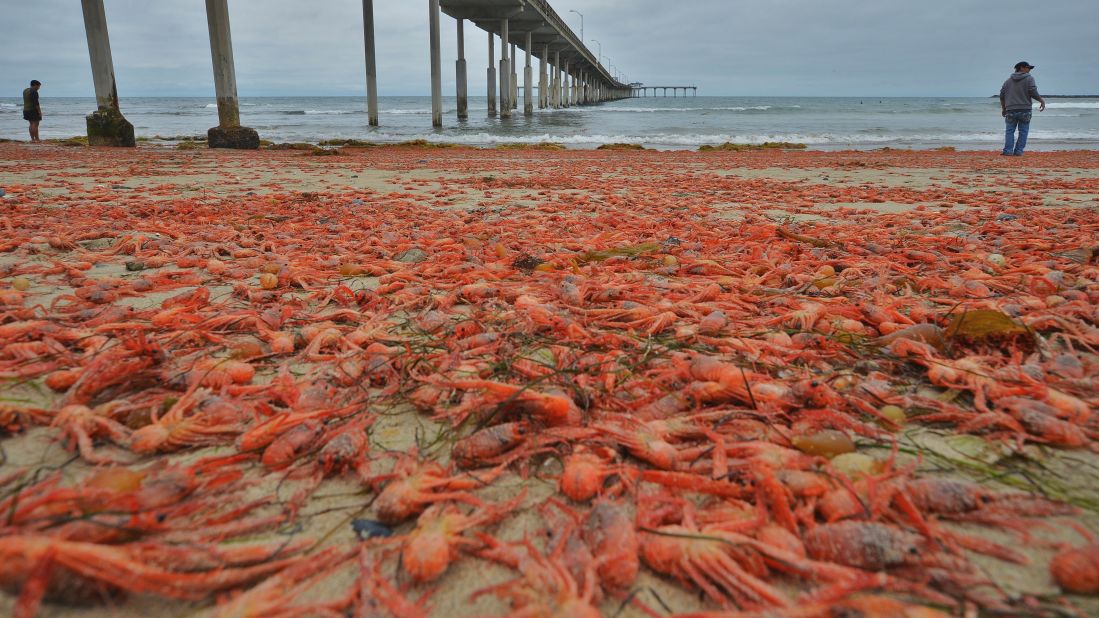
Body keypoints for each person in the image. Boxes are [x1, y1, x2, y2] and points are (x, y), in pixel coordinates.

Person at [999, 62, 1045, 156]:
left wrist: (1004, 108)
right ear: (1021, 68)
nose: (1029, 70)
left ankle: (1008, 151)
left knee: (1009, 131)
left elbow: (1002, 95)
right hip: (1025, 109)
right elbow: (1032, 91)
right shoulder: (1029, 78)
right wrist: (1041, 100)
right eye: (1028, 68)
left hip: (1010, 110)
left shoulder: (1008, 81)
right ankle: (1019, 151)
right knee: (1023, 131)